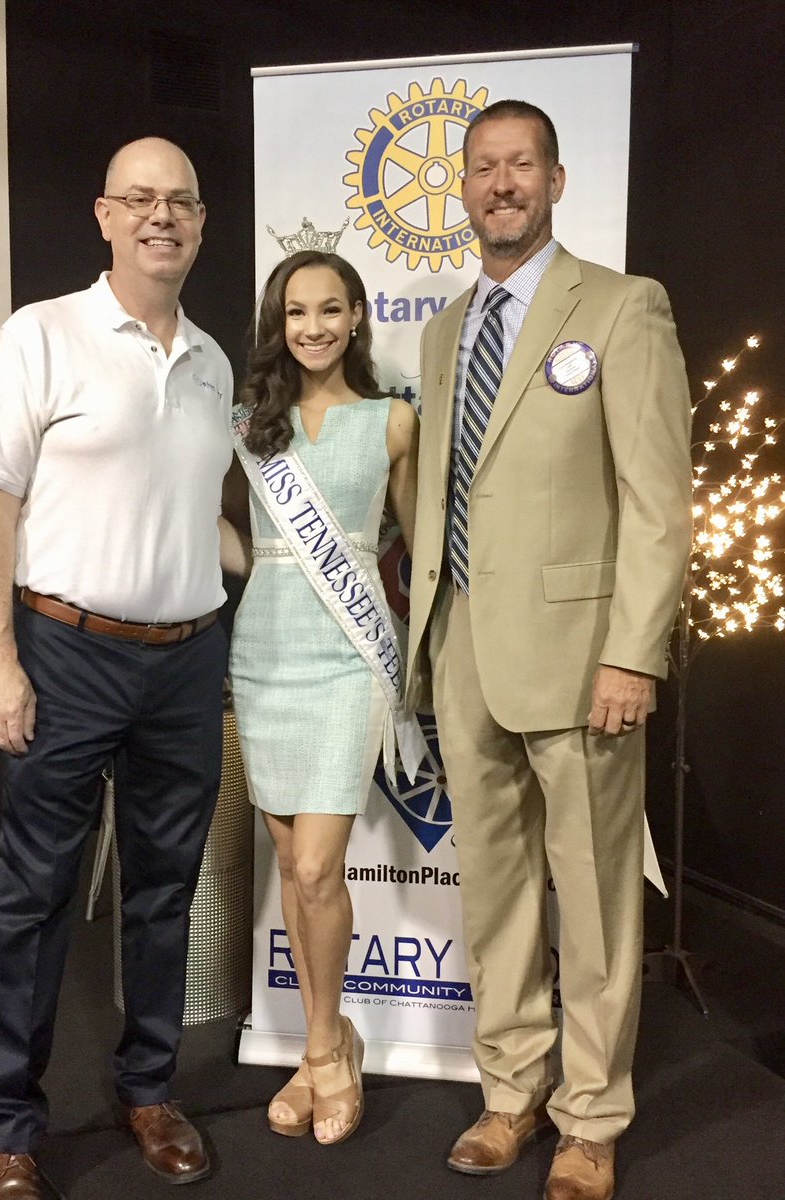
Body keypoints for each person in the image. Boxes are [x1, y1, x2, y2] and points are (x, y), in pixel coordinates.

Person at [406, 101, 692, 1200]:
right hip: (462, 640)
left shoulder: (621, 309)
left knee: (595, 896)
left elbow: (655, 500)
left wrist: (633, 653)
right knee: (494, 891)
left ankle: (590, 1118)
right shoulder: (443, 330)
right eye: (481, 168)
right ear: (464, 190)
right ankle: (510, 1092)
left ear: (556, 181)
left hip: (582, 654)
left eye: (519, 164)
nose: (499, 184)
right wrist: (425, 630)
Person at [0, 137, 242, 1199]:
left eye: (179, 200)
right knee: (33, 898)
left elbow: (205, 518)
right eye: (139, 199)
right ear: (105, 215)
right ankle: (9, 1129)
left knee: (164, 893)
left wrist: (305, 563)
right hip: (66, 656)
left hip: (184, 665)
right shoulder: (43, 334)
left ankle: (149, 1090)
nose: (160, 215)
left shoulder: (213, 363)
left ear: (202, 223)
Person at [228, 250, 420, 1146]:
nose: (313, 327)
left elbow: (420, 551)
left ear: (355, 318)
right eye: (297, 312)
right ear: (279, 323)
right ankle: (322, 1041)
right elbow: (245, 543)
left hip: (346, 659)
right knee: (289, 871)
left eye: (330, 310)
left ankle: (326, 1052)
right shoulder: (250, 425)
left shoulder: (391, 423)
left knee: (316, 870)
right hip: (262, 652)